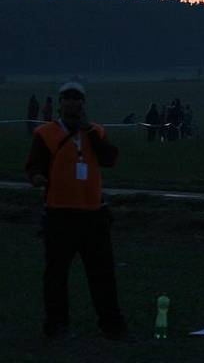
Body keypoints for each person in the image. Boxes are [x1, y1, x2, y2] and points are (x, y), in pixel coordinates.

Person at [25, 81, 127, 340]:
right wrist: (37, 177)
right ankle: (57, 325)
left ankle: (112, 327)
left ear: (84, 103)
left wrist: (89, 131)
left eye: (77, 98)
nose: (72, 103)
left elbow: (110, 159)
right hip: (60, 214)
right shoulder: (45, 133)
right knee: (56, 274)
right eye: (67, 99)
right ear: (60, 104)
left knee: (103, 274)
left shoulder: (96, 132)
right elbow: (34, 165)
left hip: (94, 214)